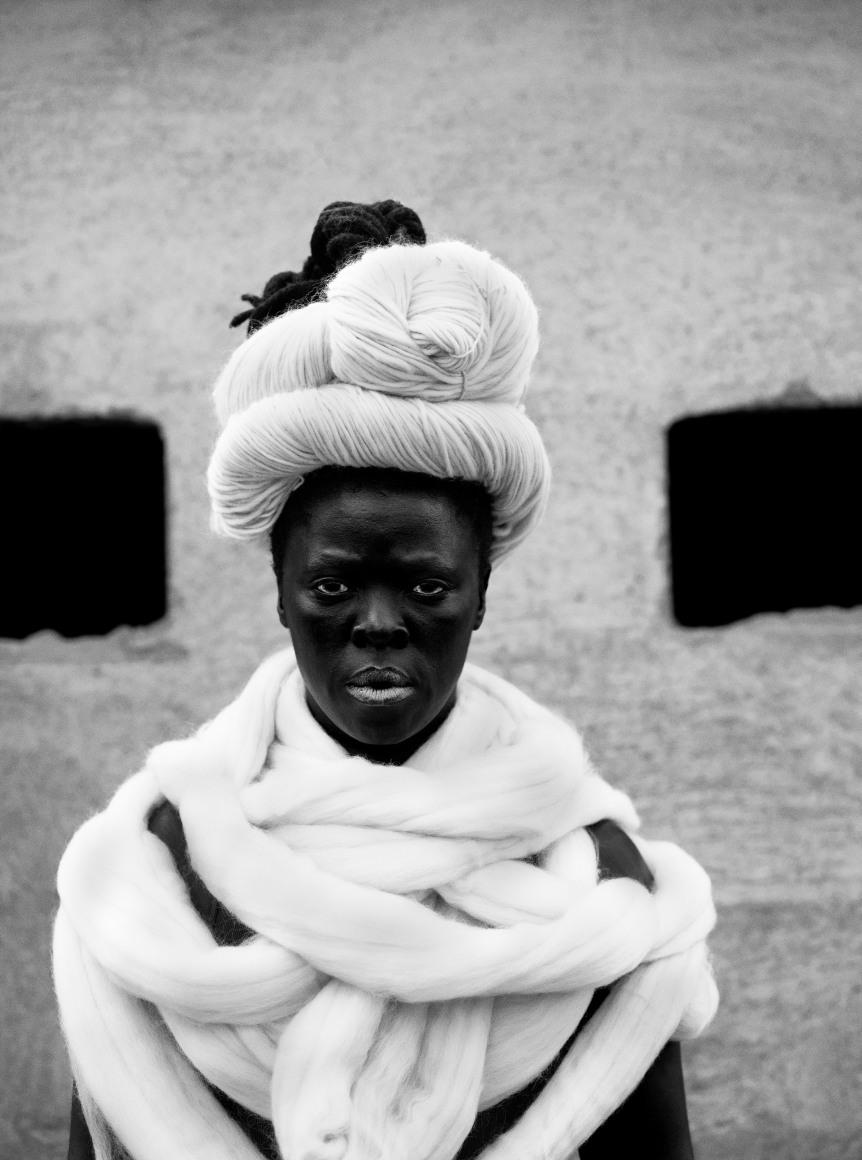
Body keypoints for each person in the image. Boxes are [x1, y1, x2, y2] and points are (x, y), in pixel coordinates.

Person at [54, 201, 718, 1160]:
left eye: (426, 584)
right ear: (280, 594)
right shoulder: (156, 862)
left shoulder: (598, 886)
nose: (376, 620)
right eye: (331, 583)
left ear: (481, 593)